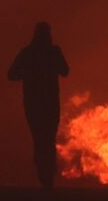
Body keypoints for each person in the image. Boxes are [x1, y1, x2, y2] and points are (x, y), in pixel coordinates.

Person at [8, 22, 69, 189]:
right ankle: (47, 175)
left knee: (39, 138)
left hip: (33, 103)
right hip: (50, 102)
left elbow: (12, 74)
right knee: (49, 138)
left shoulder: (27, 53)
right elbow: (65, 71)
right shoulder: (54, 52)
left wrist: (28, 73)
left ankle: (44, 174)